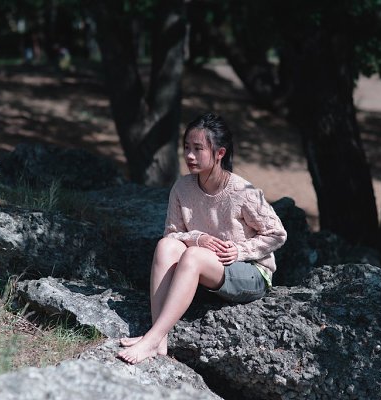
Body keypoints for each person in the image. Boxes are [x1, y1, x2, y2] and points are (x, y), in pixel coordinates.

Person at [118, 112, 287, 364]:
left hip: (250, 273)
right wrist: (198, 238)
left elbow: (277, 233)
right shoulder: (182, 187)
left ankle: (152, 338)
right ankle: (158, 337)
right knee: (165, 246)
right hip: (206, 266)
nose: (189, 155)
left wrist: (240, 251)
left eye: (198, 149)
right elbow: (172, 234)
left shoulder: (244, 192)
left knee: (193, 256)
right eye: (186, 147)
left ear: (220, 153)